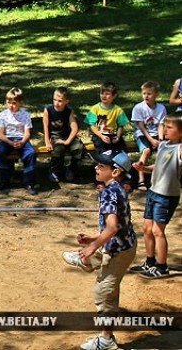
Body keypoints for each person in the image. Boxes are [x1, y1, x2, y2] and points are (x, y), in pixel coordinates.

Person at [61, 150, 137, 350]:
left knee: (103, 293)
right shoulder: (118, 189)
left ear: (115, 172)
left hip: (119, 252)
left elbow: (112, 227)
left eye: (101, 166)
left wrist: (93, 246)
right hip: (124, 246)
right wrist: (94, 238)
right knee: (102, 270)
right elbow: (119, 225)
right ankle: (84, 260)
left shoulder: (108, 193)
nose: (96, 168)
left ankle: (106, 340)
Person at [130, 111, 182, 279]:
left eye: (169, 127)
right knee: (147, 229)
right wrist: (143, 169)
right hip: (153, 192)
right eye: (164, 126)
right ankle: (150, 262)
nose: (165, 130)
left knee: (157, 231)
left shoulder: (179, 149)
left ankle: (162, 266)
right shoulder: (163, 145)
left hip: (166, 196)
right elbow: (158, 166)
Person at [0, 87, 38, 195]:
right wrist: (10, 142)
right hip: (7, 139)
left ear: (20, 103)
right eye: (8, 102)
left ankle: (29, 182)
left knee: (31, 153)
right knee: (1, 152)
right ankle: (4, 180)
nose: (11, 105)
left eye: (14, 103)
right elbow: (0, 134)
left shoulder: (25, 115)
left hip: (21, 138)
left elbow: (27, 133)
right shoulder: (3, 115)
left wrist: (22, 142)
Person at [42, 87, 84, 182]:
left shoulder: (69, 111)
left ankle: (72, 169)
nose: (56, 103)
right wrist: (47, 142)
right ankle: (55, 170)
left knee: (78, 147)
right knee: (58, 149)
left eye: (60, 101)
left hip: (67, 135)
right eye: (54, 100)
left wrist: (68, 141)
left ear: (67, 101)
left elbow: (74, 128)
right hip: (55, 135)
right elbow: (46, 127)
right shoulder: (48, 110)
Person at [131, 81, 167, 191]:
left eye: (149, 93)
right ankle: (141, 179)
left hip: (156, 134)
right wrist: (151, 140)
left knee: (164, 151)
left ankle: (157, 178)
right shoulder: (138, 108)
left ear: (156, 94)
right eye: (144, 93)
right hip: (143, 134)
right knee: (146, 151)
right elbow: (141, 126)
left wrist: (160, 139)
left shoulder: (161, 108)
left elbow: (161, 124)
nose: (146, 96)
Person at [84, 82, 130, 154]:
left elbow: (121, 126)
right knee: (103, 150)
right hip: (99, 135)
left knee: (122, 150)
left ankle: (117, 163)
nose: (104, 96)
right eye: (102, 93)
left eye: (107, 94)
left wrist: (117, 137)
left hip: (113, 135)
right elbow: (92, 126)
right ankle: (103, 163)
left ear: (114, 96)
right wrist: (101, 136)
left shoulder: (118, 110)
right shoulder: (95, 109)